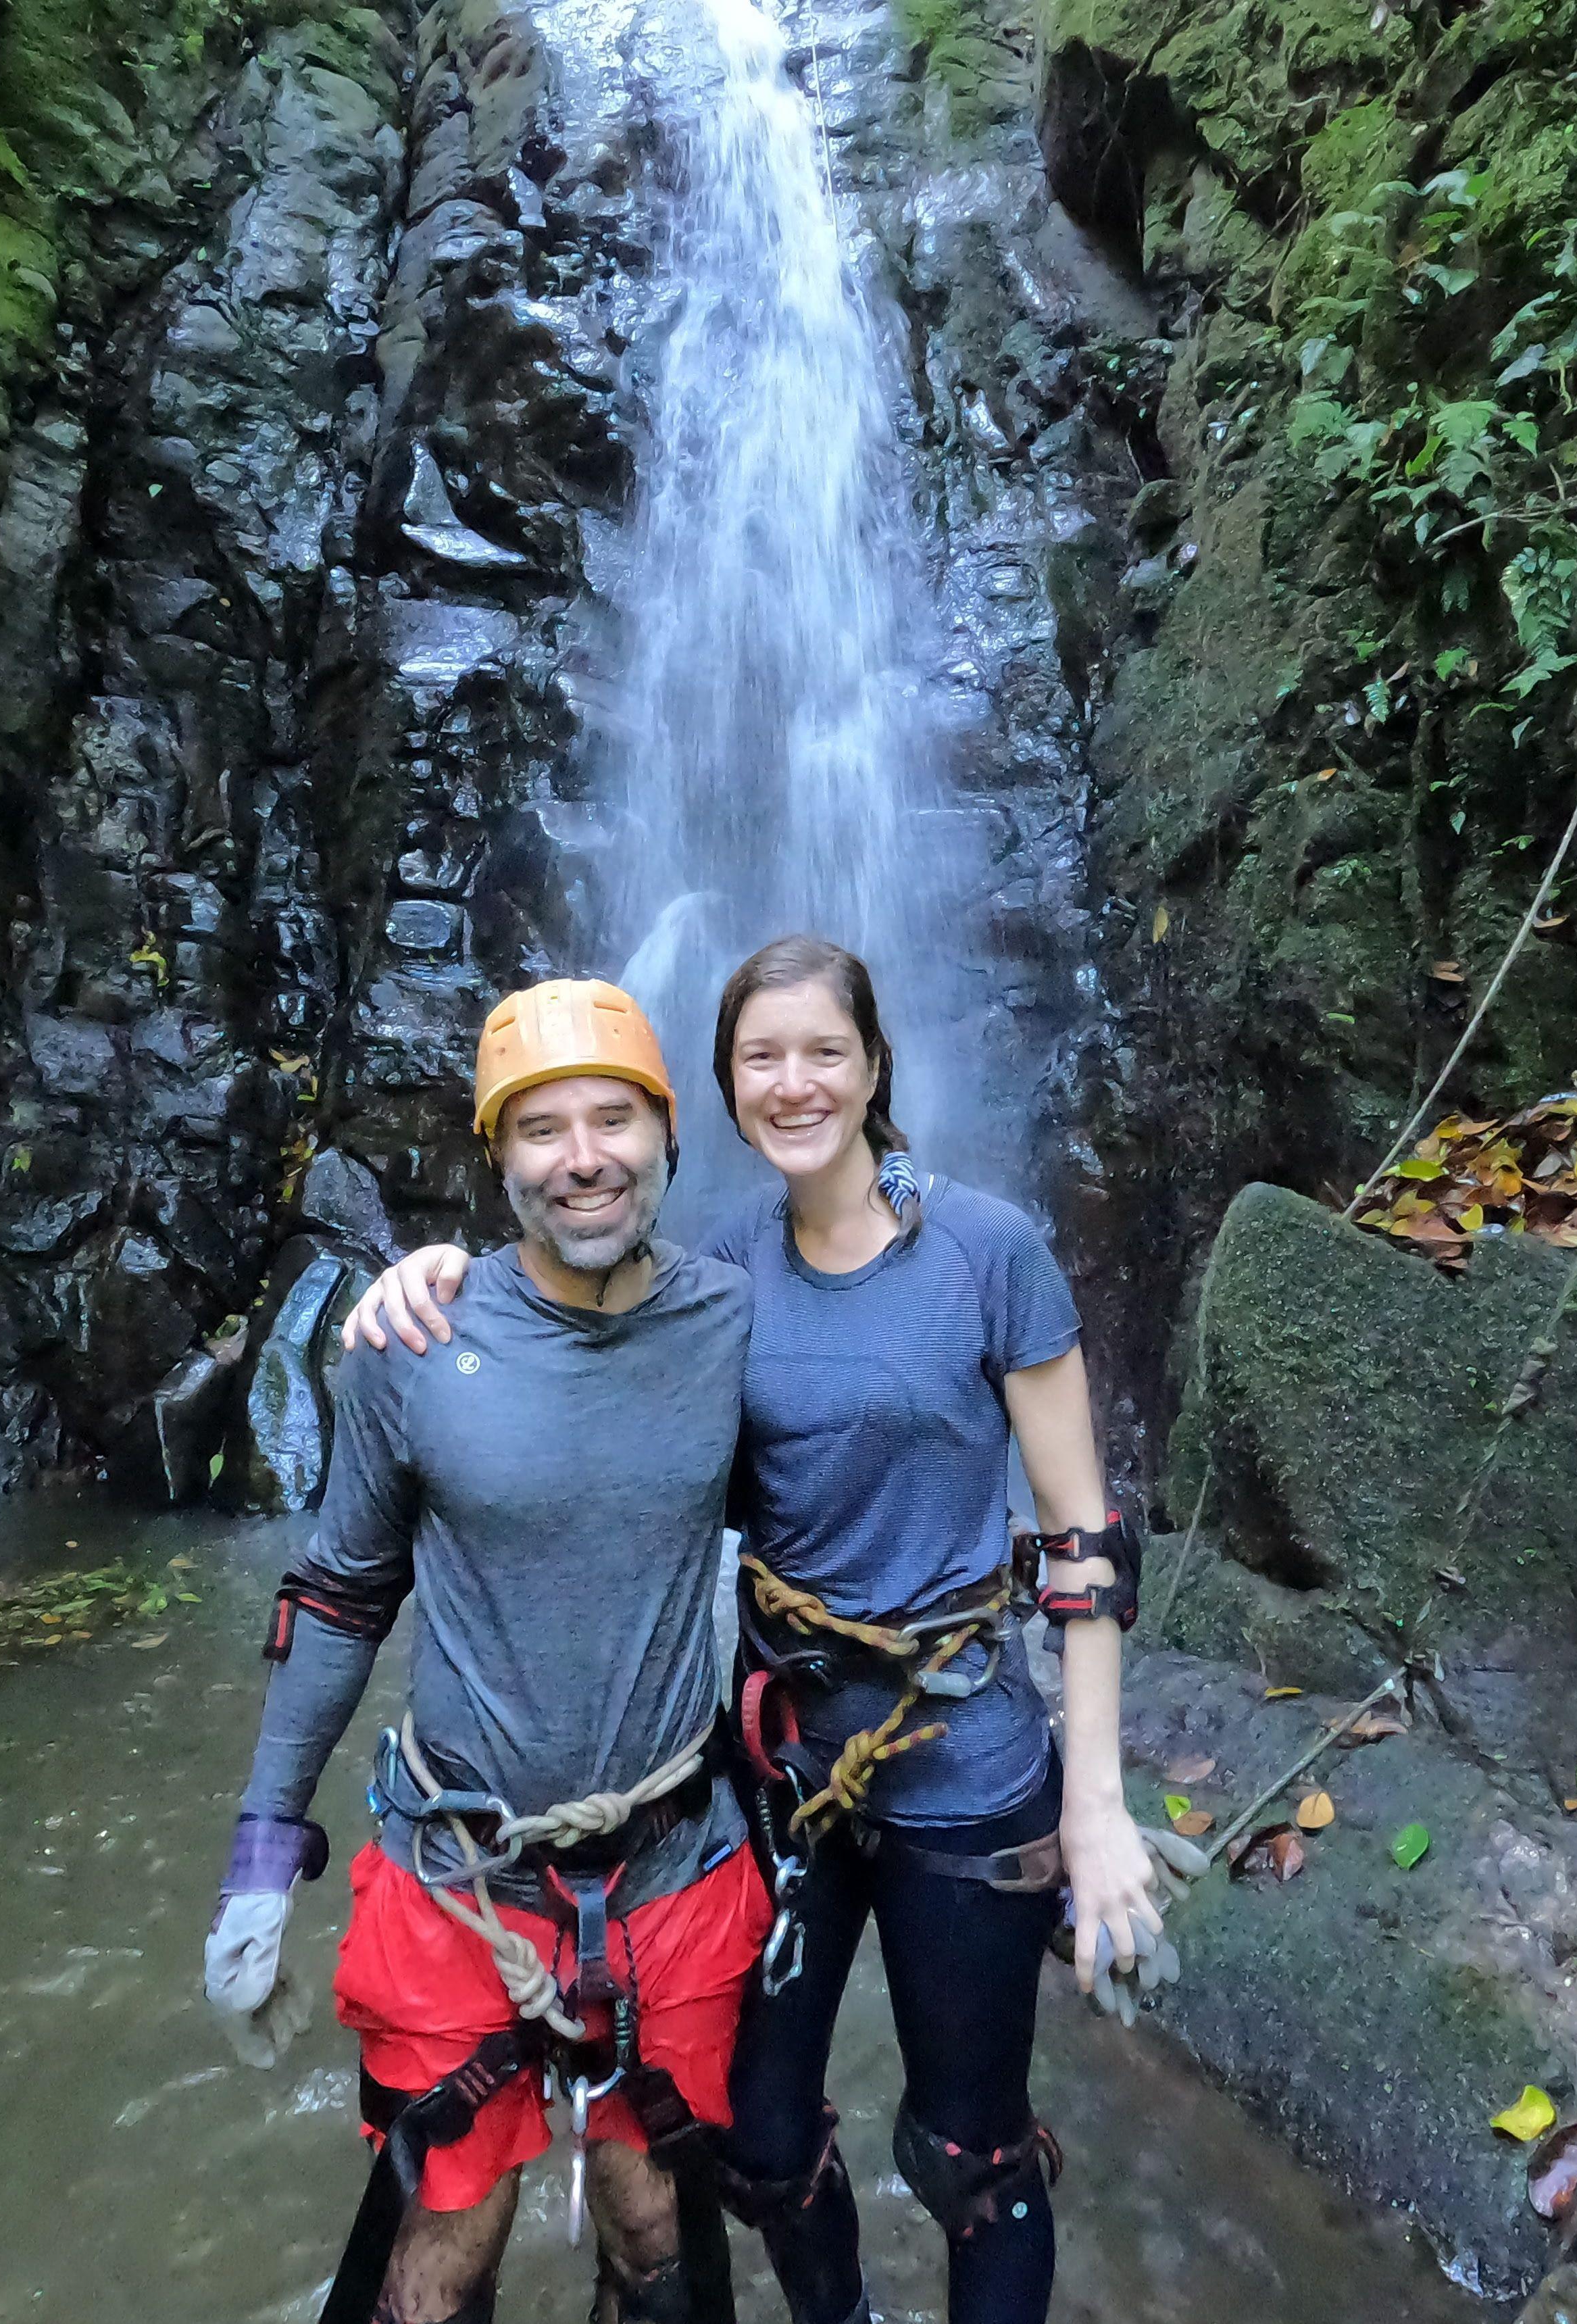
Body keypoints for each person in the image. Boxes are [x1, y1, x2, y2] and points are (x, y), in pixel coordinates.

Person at [341, 934, 1174, 2324]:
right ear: (721, 1090)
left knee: (967, 2155)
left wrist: (1098, 1812)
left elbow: (1084, 1543)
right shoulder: (717, 1278)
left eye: (823, 1051)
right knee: (760, 2144)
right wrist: (431, 1280)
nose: (794, 1083)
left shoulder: (989, 1250)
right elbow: (571, 1354)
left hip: (966, 1764)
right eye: (759, 1058)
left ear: (873, 1064)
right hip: (784, 1775)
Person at [204, 978, 770, 2324]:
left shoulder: (743, 1322)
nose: (584, 1156)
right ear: (497, 1160)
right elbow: (341, 1597)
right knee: (447, 2238)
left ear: (669, 1133)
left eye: (615, 1118)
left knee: (655, 2225)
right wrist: (261, 1856)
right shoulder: (416, 1339)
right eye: (542, 1129)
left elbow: (875, 1274)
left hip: (675, 1867)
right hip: (459, 1876)